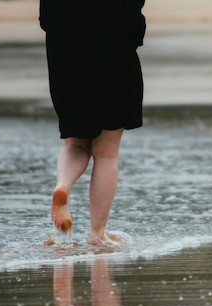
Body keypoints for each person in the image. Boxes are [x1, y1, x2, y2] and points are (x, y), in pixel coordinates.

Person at [39, 0, 146, 245]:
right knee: (106, 153)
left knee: (74, 144)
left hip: (65, 63)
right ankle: (97, 234)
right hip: (114, 60)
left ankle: (62, 185)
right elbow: (133, 22)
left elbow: (46, 19)